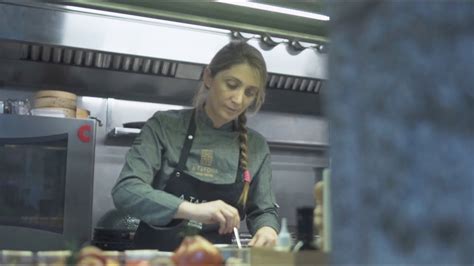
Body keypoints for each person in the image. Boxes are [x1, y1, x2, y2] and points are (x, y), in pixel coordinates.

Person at [112, 41, 280, 251]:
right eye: (232, 84)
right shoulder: (165, 126)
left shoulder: (256, 146)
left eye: (249, 92)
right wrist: (192, 210)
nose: (238, 100)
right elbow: (126, 190)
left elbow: (263, 210)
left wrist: (267, 229)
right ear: (208, 77)